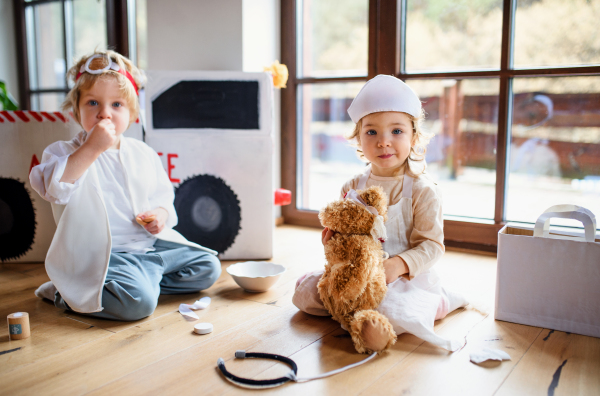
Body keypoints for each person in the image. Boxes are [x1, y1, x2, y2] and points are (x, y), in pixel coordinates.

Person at [30, 50, 221, 321]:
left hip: (149, 248)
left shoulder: (143, 152)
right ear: (76, 112)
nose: (104, 114)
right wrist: (91, 149)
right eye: (93, 103)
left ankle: (135, 284)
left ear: (131, 115)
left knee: (208, 267)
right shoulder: (64, 152)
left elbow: (163, 198)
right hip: (103, 257)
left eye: (116, 105)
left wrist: (160, 217)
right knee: (139, 305)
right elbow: (53, 188)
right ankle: (67, 293)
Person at [292, 75, 468, 352]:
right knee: (305, 294)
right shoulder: (352, 187)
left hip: (402, 279)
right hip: (357, 275)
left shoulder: (423, 191)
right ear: (358, 138)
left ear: (414, 137)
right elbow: (344, 235)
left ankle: (419, 308)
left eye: (396, 131)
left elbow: (432, 246)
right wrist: (332, 245)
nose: (384, 142)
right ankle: (354, 313)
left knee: (398, 308)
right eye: (372, 132)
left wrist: (397, 266)